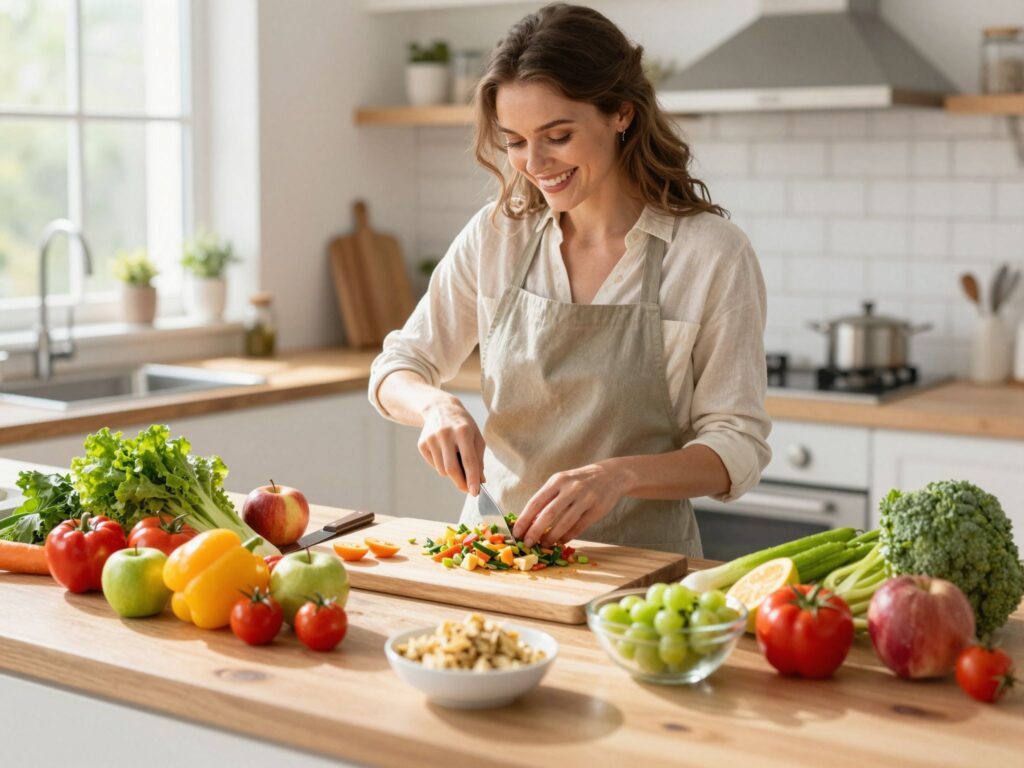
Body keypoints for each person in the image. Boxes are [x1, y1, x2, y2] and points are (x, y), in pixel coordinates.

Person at [368, 3, 770, 557]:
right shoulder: (497, 237)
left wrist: (619, 476)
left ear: (621, 114)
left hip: (642, 575)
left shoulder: (708, 255)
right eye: (513, 140)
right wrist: (436, 407)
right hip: (496, 556)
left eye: (557, 135)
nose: (534, 163)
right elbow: (397, 367)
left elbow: (737, 445)